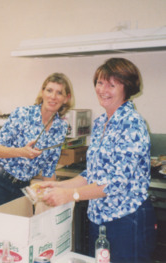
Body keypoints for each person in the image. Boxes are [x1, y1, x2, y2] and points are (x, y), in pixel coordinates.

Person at [37, 58, 156, 262]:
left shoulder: (132, 123)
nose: (103, 90)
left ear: (126, 88)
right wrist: (58, 186)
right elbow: (92, 174)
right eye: (100, 83)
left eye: (112, 84)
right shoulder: (102, 122)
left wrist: (69, 195)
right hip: (99, 219)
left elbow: (116, 182)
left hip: (126, 220)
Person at [0, 73, 74, 215]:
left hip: (22, 188)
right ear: (42, 92)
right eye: (49, 90)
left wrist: (55, 199)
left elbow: (49, 170)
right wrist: (22, 152)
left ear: (66, 98)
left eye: (59, 93)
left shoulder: (61, 127)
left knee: (18, 235)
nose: (53, 96)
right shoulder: (23, 114)